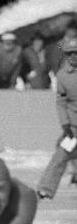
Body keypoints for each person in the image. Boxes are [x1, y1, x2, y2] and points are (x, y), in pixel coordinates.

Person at [37, 37, 77, 198]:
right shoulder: (62, 76)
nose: (74, 57)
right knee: (60, 156)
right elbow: (61, 102)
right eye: (70, 54)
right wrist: (65, 124)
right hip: (74, 129)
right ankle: (45, 189)